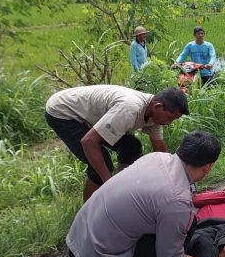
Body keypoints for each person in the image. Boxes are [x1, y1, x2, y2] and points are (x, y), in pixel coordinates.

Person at [66, 130, 221, 257]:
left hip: (78, 238)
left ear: (180, 148)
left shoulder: (156, 158)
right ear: (208, 167)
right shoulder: (176, 200)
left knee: (178, 221)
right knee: (188, 223)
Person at [45, 84, 188, 201]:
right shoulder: (130, 109)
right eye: (169, 117)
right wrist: (109, 183)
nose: (169, 123)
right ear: (157, 106)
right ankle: (88, 212)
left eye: (173, 120)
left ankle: (122, 192)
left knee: (131, 147)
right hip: (63, 111)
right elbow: (89, 141)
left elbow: (160, 151)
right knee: (101, 165)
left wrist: (174, 179)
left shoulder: (154, 116)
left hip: (87, 113)